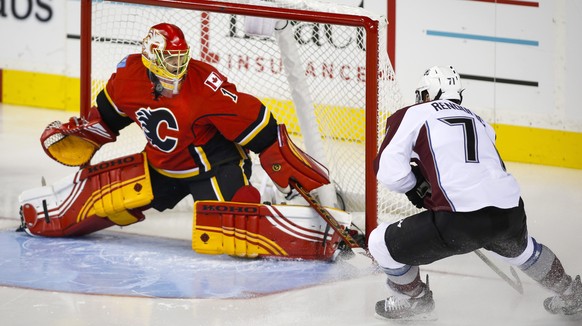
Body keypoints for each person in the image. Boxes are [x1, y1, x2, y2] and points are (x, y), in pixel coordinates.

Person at [18, 23, 330, 246]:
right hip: (162, 167)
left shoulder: (204, 83)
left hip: (214, 166)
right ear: (150, 59)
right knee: (107, 204)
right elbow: (107, 120)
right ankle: (49, 212)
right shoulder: (127, 79)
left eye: (181, 58)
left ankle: (266, 198)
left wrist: (277, 157)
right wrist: (87, 135)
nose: (178, 66)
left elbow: (256, 123)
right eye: (170, 60)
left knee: (234, 232)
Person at [368, 65, 582, 320]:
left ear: (427, 94)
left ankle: (415, 301)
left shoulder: (413, 114)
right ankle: (571, 293)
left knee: (379, 243)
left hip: (458, 219)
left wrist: (415, 187)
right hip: (510, 212)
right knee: (523, 250)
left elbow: (388, 172)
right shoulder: (480, 121)